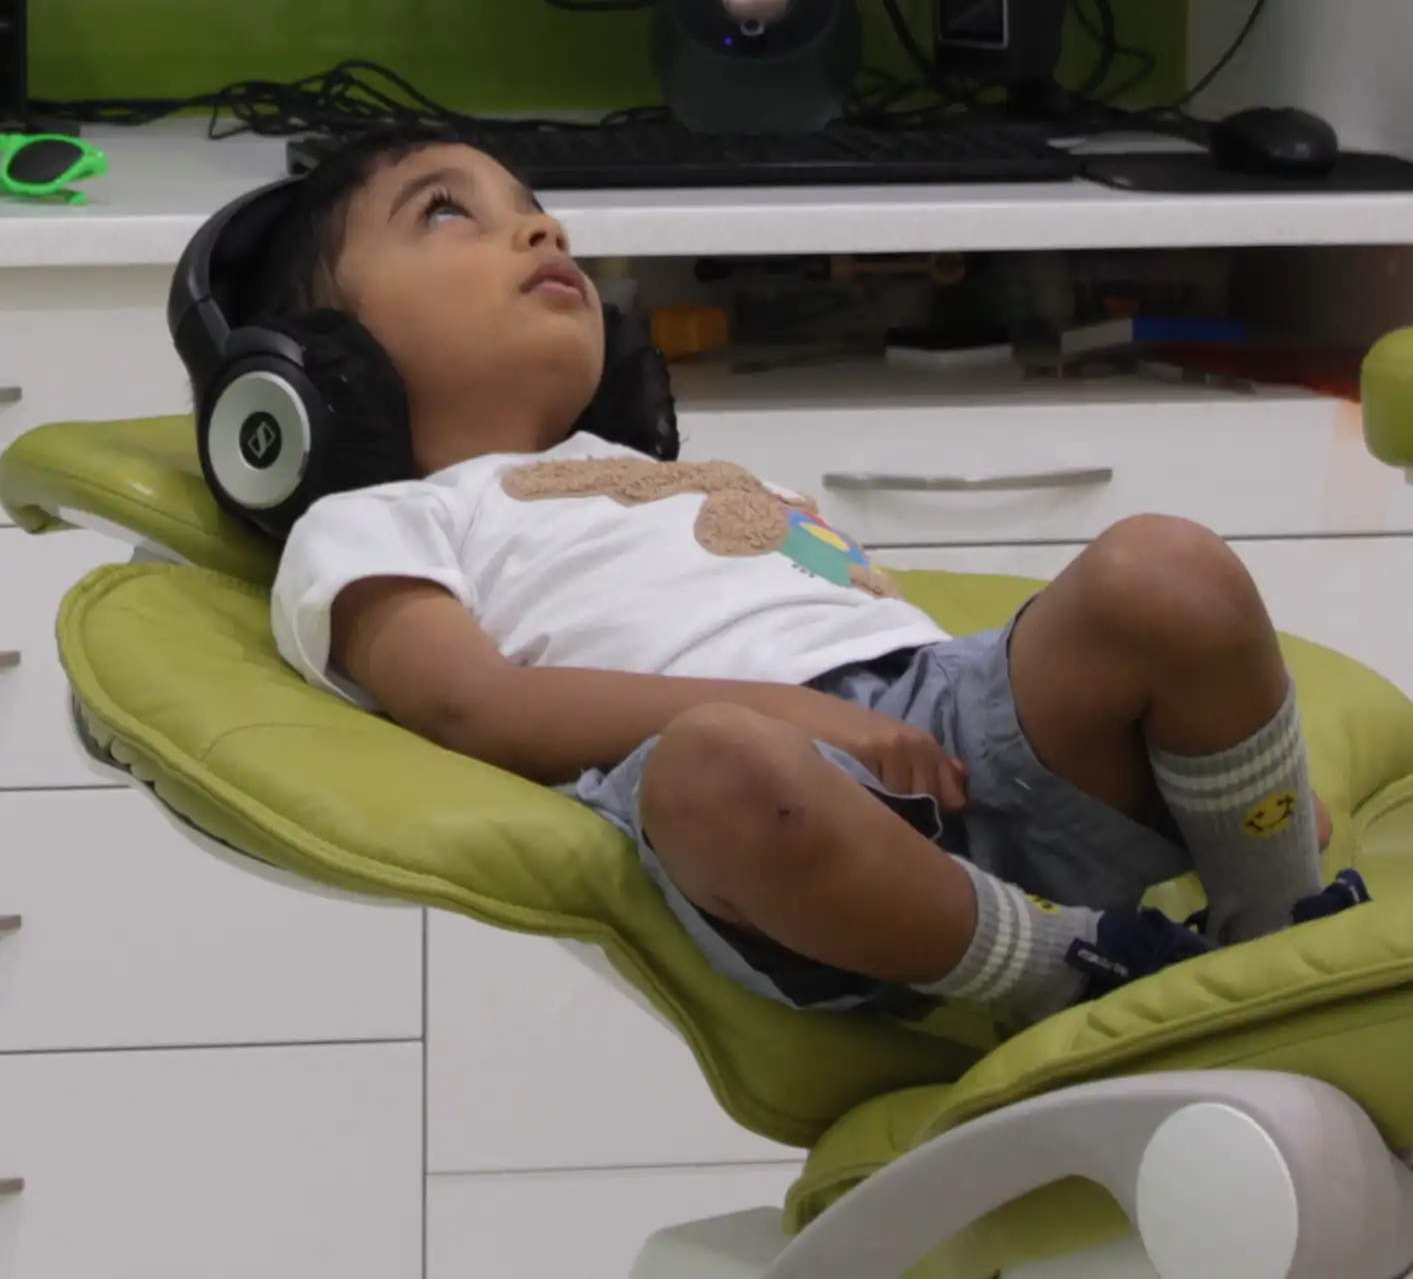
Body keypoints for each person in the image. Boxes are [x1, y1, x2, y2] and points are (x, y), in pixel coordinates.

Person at [215, 125, 1364, 1029]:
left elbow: (868, 615)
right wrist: (808, 717)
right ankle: (1066, 967)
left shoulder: (663, 470)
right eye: (449, 211)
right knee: (719, 767)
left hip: (954, 716)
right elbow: (478, 705)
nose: (541, 229)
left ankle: (1275, 923)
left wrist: (1182, 764)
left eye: (533, 207)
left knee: (1169, 566)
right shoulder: (378, 518)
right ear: (325, 357)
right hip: (777, 786)